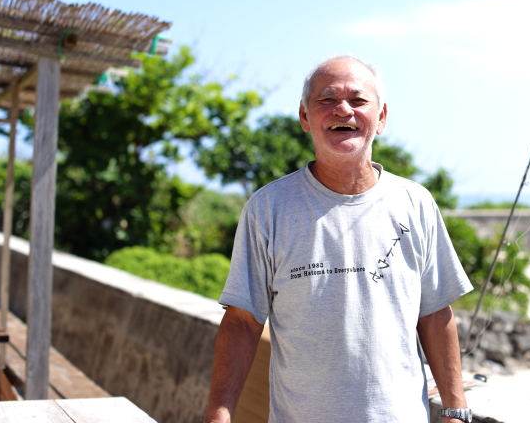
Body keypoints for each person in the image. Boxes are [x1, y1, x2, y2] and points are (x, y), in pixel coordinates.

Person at [203, 56, 473, 423]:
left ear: (381, 118)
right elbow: (242, 322)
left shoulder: (416, 204)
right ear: (304, 117)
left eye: (359, 101)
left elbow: (435, 313)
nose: (342, 109)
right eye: (326, 100)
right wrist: (219, 413)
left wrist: (456, 410)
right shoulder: (267, 208)